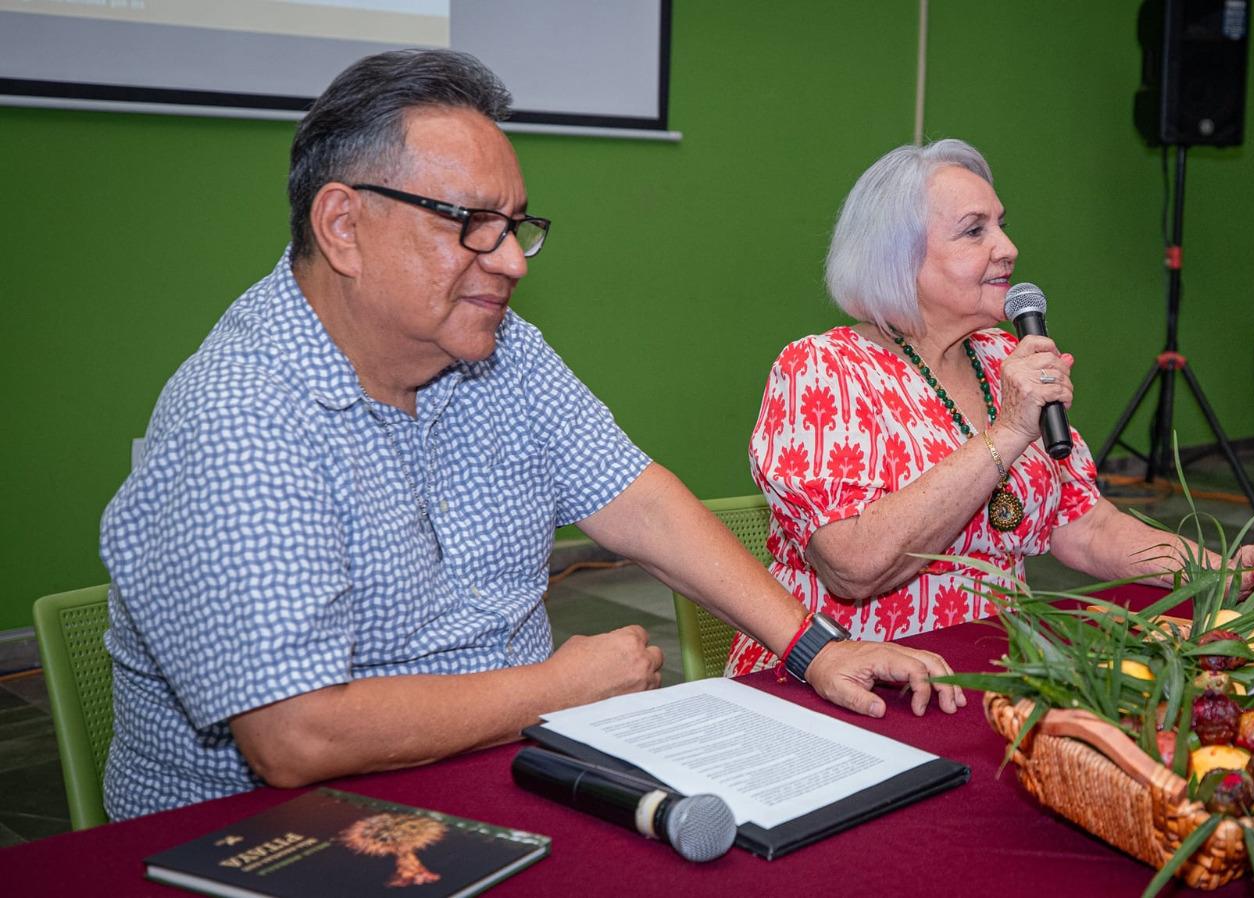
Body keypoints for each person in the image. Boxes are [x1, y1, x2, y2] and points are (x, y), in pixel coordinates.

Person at [98, 50, 962, 821]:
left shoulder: (499, 348)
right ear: (343, 227)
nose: (509, 260)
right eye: (470, 223)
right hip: (272, 840)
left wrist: (813, 647)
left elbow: (640, 504)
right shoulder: (240, 415)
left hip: (502, 784)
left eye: (514, 226)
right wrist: (559, 690)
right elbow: (297, 735)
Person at [726, 140, 1254, 676]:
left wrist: (1220, 570)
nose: (1008, 247)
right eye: (974, 231)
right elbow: (853, 566)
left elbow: (1084, 527)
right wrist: (1010, 430)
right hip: (851, 674)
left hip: (993, 669)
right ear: (896, 258)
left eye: (1001, 223)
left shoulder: (1003, 356)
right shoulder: (824, 370)